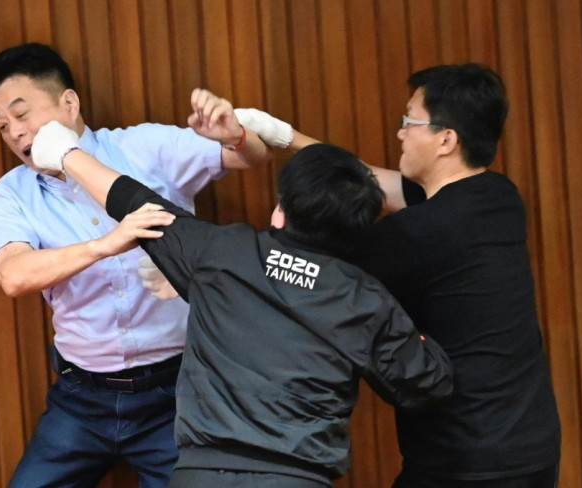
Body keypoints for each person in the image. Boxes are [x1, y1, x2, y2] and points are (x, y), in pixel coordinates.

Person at [29, 119, 454, 488]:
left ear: (280, 210)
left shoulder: (221, 254)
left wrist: (67, 153)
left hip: (199, 476)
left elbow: (138, 204)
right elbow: (429, 383)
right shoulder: (365, 300)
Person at [235, 63, 561, 487]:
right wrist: (283, 135)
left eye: (410, 121)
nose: (400, 133)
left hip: (468, 458)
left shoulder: (415, 234)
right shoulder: (498, 197)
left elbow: (314, 272)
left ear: (446, 139)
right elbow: (365, 179)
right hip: (531, 443)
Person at [0, 42, 272, 488]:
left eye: (22, 115)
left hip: (174, 392)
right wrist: (105, 245)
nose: (15, 133)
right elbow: (13, 276)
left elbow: (249, 157)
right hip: (82, 398)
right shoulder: (10, 193)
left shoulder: (144, 147)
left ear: (69, 103)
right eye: (3, 125)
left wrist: (234, 134)